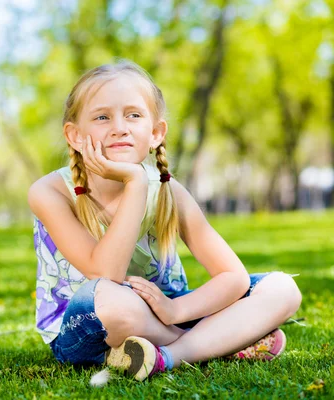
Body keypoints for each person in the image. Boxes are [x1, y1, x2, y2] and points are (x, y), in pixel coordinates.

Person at [28, 60, 302, 381]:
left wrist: (177, 311)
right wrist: (135, 183)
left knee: (283, 289)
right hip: (91, 323)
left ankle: (168, 356)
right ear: (74, 136)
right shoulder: (49, 191)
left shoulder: (171, 191)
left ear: (156, 132)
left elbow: (233, 276)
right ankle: (223, 341)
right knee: (115, 305)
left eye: (133, 115)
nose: (119, 127)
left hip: (167, 313)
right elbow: (106, 274)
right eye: (102, 117)